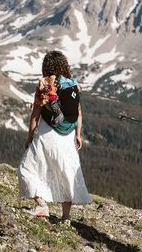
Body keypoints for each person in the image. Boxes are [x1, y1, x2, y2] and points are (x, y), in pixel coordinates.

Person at [17, 50, 92, 223]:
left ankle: (42, 205)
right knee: (66, 172)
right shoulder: (72, 84)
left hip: (47, 134)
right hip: (67, 137)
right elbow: (78, 113)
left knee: (27, 168)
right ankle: (66, 216)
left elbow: (35, 114)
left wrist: (29, 136)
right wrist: (78, 134)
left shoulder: (44, 84)